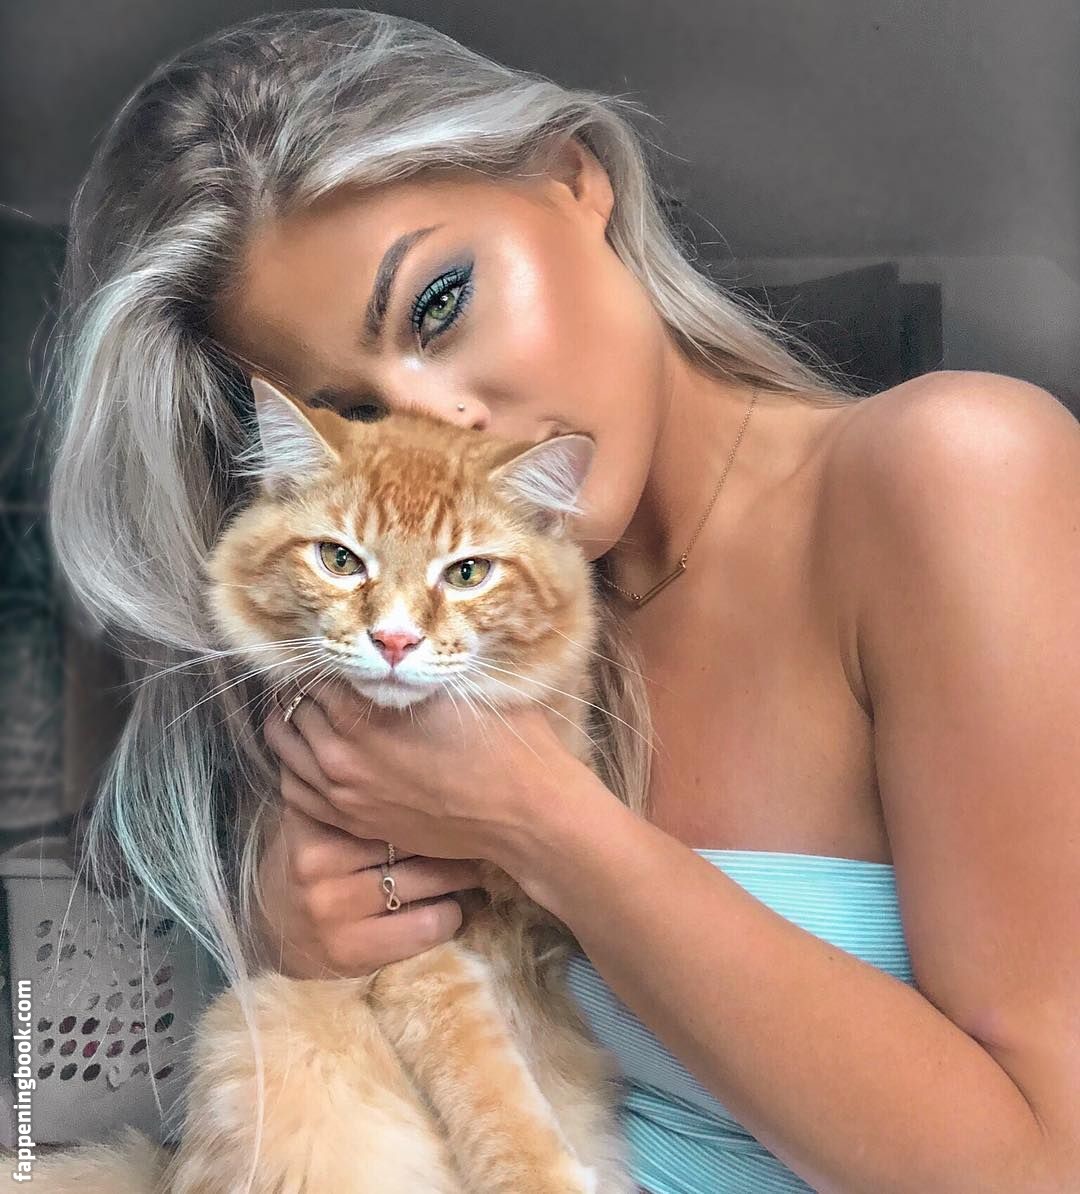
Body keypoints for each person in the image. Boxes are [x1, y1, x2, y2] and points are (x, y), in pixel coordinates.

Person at [47, 10, 1079, 1193]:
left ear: (574, 177)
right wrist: (308, 945)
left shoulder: (955, 470)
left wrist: (543, 824)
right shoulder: (448, 644)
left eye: (438, 305)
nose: (443, 425)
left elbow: (1043, 1170)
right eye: (357, 412)